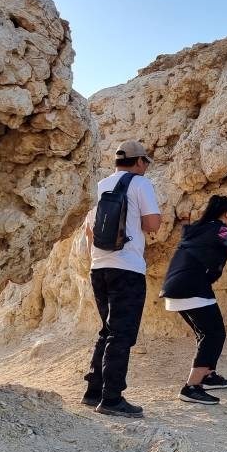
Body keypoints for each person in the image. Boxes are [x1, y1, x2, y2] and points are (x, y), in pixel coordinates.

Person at [83, 140, 161, 418]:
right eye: (146, 163)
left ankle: (93, 392)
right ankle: (112, 398)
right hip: (127, 268)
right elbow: (152, 224)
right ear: (139, 162)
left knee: (107, 329)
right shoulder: (140, 184)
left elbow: (89, 233)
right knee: (122, 333)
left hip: (98, 267)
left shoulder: (99, 186)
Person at [160, 196, 227, 405]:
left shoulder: (197, 229)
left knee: (206, 333)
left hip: (174, 287)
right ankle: (191, 387)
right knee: (214, 333)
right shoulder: (221, 230)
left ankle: (208, 375)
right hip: (192, 286)